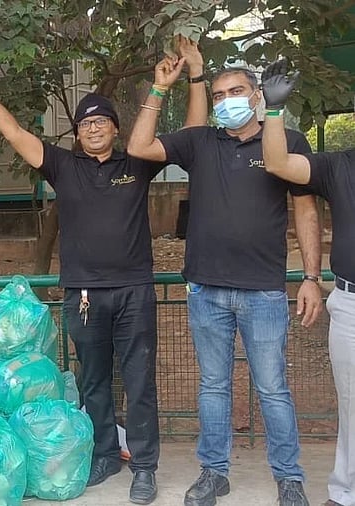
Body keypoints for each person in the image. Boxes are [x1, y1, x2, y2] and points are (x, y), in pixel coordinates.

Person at [0, 40, 208, 504]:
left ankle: (145, 465)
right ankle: (103, 455)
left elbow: (192, 137)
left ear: (116, 129)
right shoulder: (62, 165)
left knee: (139, 380)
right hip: (83, 293)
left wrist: (186, 81)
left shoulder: (136, 161)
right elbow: (14, 132)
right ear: (76, 132)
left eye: (101, 121)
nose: (93, 128)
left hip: (134, 290)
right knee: (93, 378)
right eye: (85, 123)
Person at [127, 51, 323, 506]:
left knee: (272, 388)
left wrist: (312, 277)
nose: (227, 101)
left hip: (264, 291)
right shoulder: (200, 142)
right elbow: (139, 147)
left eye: (237, 92)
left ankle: (289, 479)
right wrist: (159, 88)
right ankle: (214, 473)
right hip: (206, 290)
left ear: (257, 96)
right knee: (213, 387)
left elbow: (306, 210)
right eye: (219, 95)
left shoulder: (287, 141)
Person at [260, 58, 355, 506]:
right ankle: (346, 492)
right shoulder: (340, 165)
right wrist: (274, 110)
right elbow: (277, 163)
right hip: (352, 306)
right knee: (352, 407)